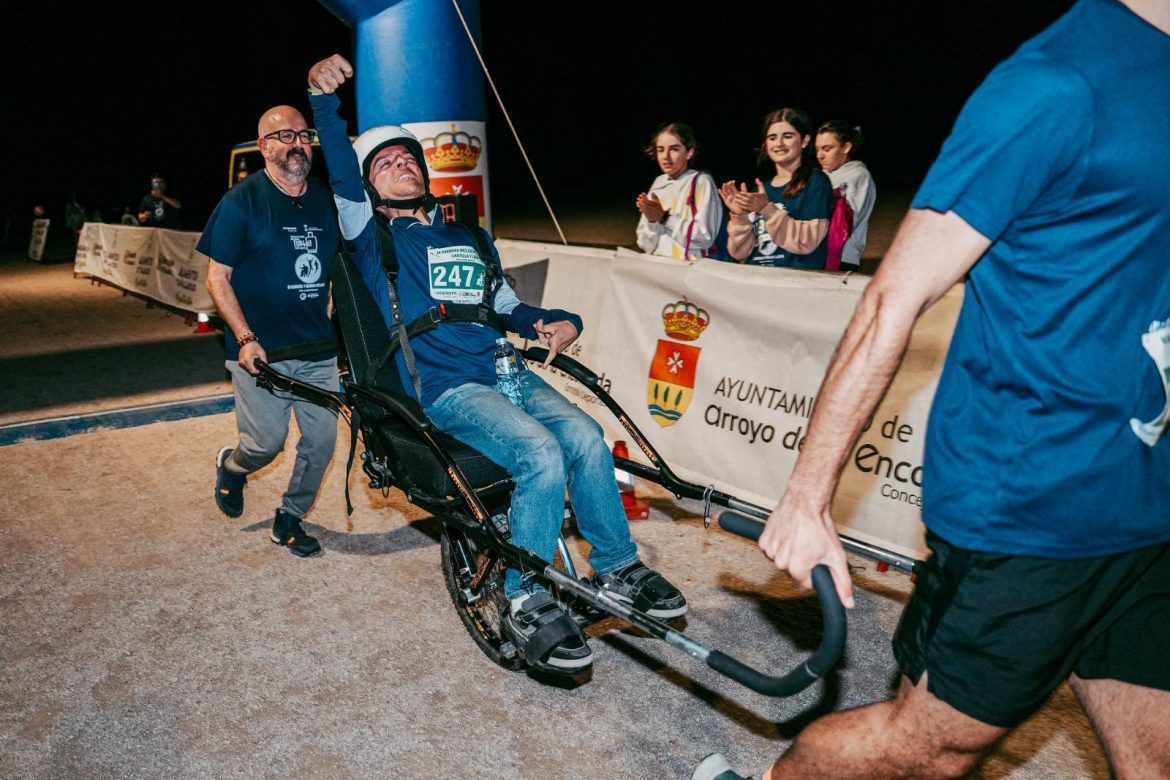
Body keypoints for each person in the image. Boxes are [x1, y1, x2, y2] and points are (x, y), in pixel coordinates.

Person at [694, 0, 1170, 778]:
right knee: (925, 753)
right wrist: (808, 497)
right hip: (1035, 508)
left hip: (1149, 507)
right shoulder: (1055, 85)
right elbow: (893, 296)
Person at [307, 53, 687, 675]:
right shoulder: (370, 235)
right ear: (368, 186)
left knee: (588, 438)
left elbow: (509, 308)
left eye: (409, 159)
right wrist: (323, 101)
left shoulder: (470, 237)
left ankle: (616, 566)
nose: (402, 165)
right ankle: (523, 595)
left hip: (505, 372)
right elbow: (342, 171)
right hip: (447, 388)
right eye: (386, 164)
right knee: (539, 452)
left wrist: (560, 320)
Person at [198, 105, 341, 559]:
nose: (297, 143)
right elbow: (216, 277)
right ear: (263, 147)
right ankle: (233, 467)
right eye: (283, 136)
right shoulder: (242, 200)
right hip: (260, 351)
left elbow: (341, 271)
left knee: (321, 444)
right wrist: (244, 337)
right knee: (265, 446)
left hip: (318, 349)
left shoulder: (325, 197)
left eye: (303, 134)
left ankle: (290, 519)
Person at [719, 107, 833, 269]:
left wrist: (767, 209)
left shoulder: (816, 182)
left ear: (805, 141)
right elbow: (739, 254)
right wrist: (740, 216)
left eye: (787, 136)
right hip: (757, 281)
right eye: (772, 138)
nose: (779, 144)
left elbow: (807, 242)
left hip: (794, 282)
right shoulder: (758, 191)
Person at [634, 122, 722, 261]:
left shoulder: (701, 181)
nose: (666, 157)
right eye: (660, 150)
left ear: (689, 152)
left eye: (674, 149)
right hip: (659, 267)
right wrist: (651, 222)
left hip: (689, 270)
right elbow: (646, 245)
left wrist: (665, 218)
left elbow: (705, 238)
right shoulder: (659, 183)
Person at [815, 120, 876, 271]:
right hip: (815, 256)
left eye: (827, 149)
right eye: (817, 150)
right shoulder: (818, 177)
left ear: (846, 147)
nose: (820, 155)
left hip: (842, 259)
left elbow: (845, 223)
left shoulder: (858, 176)